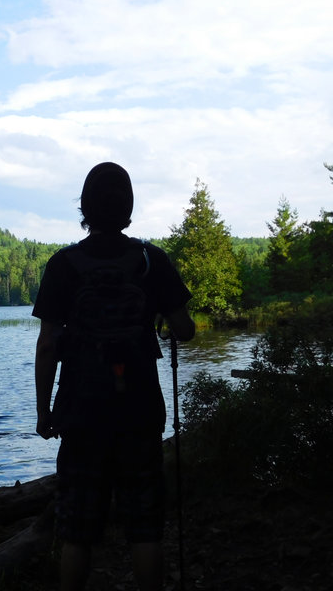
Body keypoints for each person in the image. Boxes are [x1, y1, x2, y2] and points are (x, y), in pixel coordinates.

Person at [33, 162, 195, 591]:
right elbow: (186, 330)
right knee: (145, 525)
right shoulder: (150, 260)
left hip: (82, 410)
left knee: (77, 528)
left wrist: (43, 411)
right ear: (128, 208)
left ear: (85, 208)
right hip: (140, 408)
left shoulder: (64, 265)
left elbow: (48, 343)